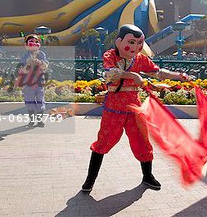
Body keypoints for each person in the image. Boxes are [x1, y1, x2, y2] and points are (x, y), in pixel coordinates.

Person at [81, 24, 190, 193]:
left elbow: (157, 72)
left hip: (134, 108)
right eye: (131, 42)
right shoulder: (110, 55)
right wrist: (132, 75)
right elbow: (110, 73)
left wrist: (178, 76)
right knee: (104, 142)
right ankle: (90, 180)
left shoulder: (140, 59)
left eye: (139, 43)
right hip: (114, 108)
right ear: (118, 42)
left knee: (142, 141)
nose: (135, 47)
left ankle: (147, 176)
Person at [17, 34, 49, 127]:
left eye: (36, 42)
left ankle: (39, 120)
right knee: (29, 100)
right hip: (28, 81)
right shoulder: (25, 55)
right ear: (26, 44)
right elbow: (22, 68)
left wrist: (40, 63)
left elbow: (45, 65)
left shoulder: (41, 54)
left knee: (40, 100)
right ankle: (32, 120)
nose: (34, 44)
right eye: (31, 42)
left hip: (39, 80)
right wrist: (28, 64)